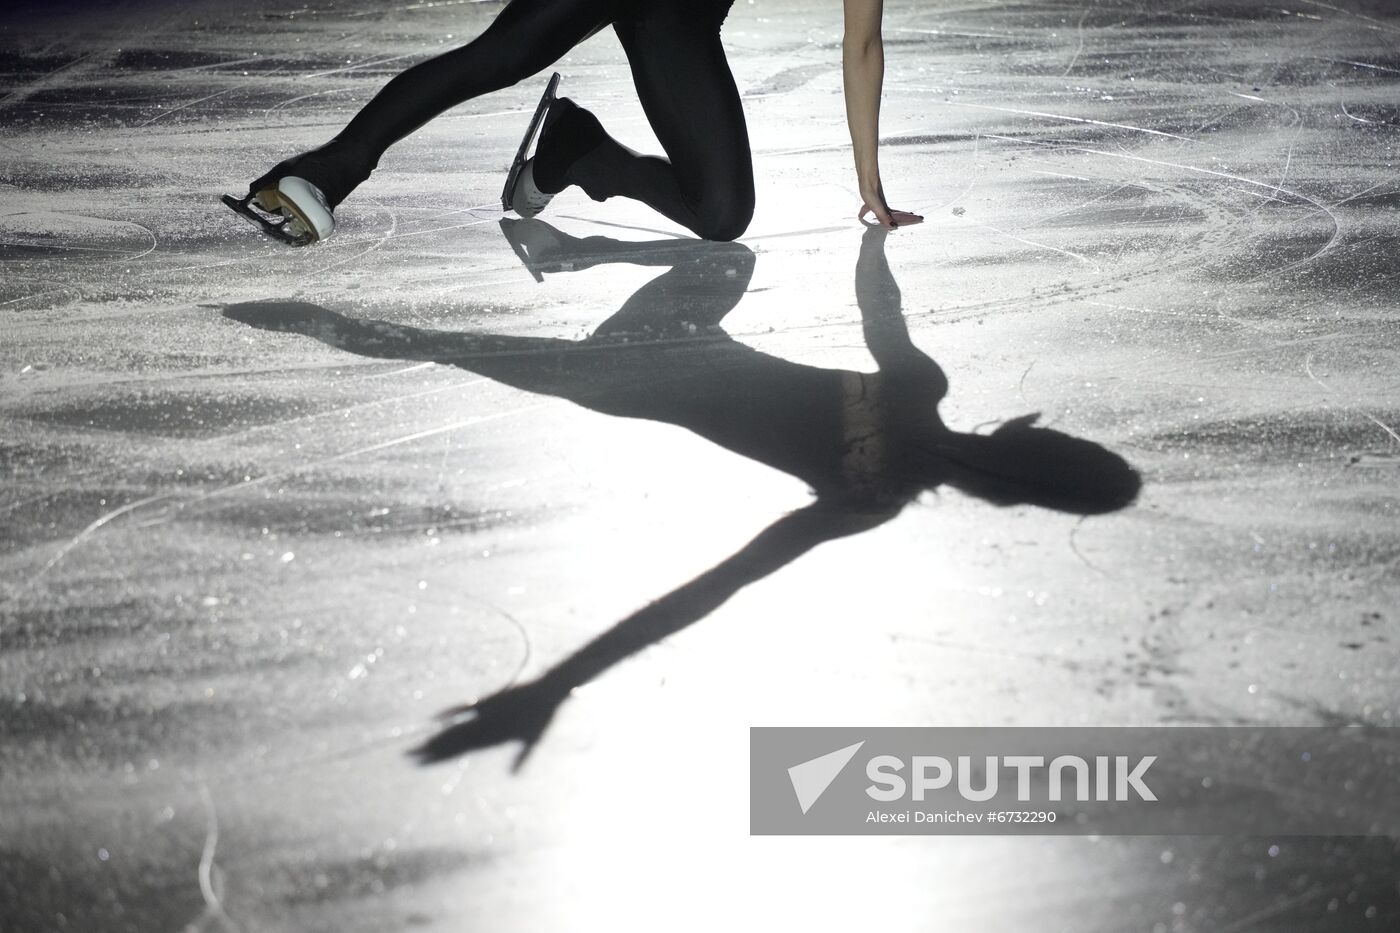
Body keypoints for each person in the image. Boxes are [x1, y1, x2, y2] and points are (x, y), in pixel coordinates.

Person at [222, 0, 924, 246]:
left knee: (722, 211)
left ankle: (577, 150)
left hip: (674, 19)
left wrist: (869, 179)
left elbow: (861, 41)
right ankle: (321, 173)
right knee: (495, 57)